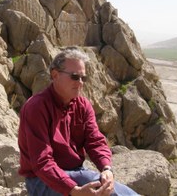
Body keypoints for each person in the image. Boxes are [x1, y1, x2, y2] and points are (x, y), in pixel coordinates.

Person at [18, 48, 138, 196]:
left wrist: (107, 168)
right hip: (41, 181)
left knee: (103, 183)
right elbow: (42, 162)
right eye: (75, 77)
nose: (80, 83)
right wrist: (73, 190)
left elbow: (95, 141)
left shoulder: (82, 105)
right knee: (98, 185)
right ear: (55, 75)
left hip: (75, 172)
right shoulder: (36, 107)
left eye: (83, 78)